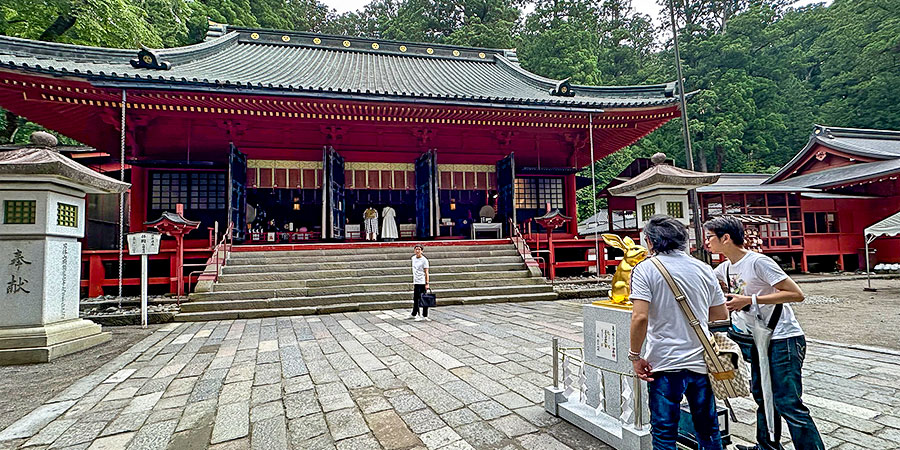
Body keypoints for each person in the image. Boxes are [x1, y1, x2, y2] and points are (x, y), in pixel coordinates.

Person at [704, 216, 824, 450]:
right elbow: (703, 278)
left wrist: (749, 300)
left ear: (725, 238)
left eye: (709, 237)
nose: (706, 243)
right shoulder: (726, 267)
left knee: (787, 401)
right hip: (759, 339)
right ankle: (766, 446)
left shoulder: (758, 262)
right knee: (762, 395)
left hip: (783, 338)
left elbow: (796, 294)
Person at [628, 215, 728, 450]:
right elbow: (720, 314)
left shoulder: (645, 270)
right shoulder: (704, 268)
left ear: (650, 242)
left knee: (664, 431)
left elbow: (640, 316)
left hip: (664, 362)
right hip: (701, 362)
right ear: (683, 240)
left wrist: (634, 355)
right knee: (708, 428)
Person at [407, 244, 431, 321]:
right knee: (415, 298)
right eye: (416, 249)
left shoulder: (424, 260)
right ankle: (414, 313)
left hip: (422, 281)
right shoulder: (413, 258)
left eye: (419, 249)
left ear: (422, 251)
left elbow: (426, 272)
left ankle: (424, 315)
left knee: (424, 298)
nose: (417, 251)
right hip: (416, 281)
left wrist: (427, 283)